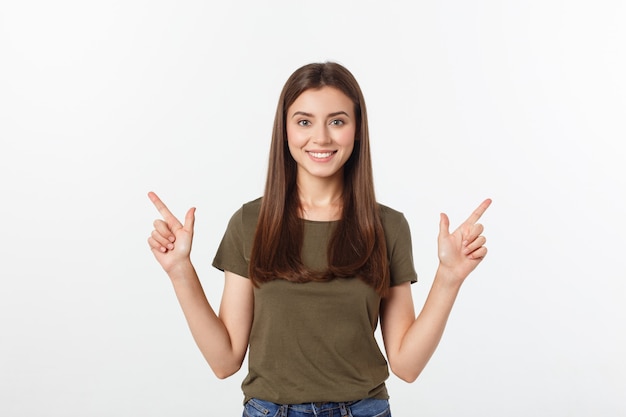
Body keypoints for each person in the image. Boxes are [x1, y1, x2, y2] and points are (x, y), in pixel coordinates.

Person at [147, 62, 491, 417]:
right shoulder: (250, 222)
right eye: (304, 121)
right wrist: (178, 270)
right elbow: (224, 360)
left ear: (357, 130)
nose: (322, 137)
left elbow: (406, 364)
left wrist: (450, 278)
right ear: (285, 131)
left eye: (337, 121)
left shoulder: (387, 226)